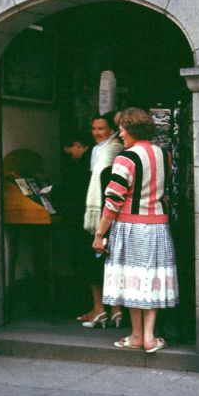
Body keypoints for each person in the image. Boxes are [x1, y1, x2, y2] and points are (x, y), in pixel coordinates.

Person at [93, 108, 178, 353]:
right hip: (158, 225)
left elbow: (113, 200)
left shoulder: (125, 158)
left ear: (131, 130)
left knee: (132, 280)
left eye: (121, 129)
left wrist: (100, 233)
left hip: (131, 225)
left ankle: (136, 335)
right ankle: (149, 337)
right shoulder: (164, 155)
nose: (120, 135)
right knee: (150, 280)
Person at [79, 113, 124, 329]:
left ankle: (101, 309)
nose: (96, 133)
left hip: (105, 213)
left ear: (112, 130)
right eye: (94, 128)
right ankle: (114, 310)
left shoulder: (111, 149)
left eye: (101, 129)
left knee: (97, 260)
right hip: (108, 212)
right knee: (107, 260)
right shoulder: (101, 149)